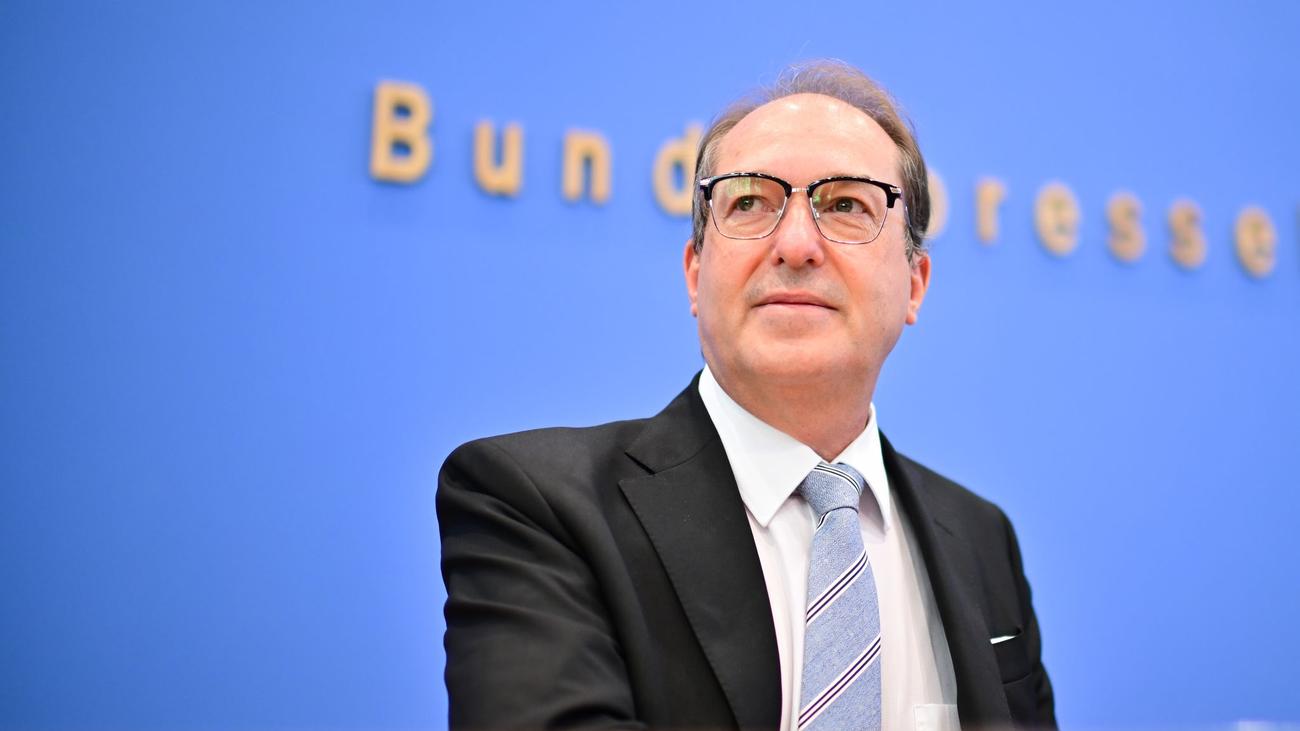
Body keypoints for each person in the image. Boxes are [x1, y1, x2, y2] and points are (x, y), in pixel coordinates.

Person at [437, 60, 1055, 731]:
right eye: (750, 203)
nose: (796, 245)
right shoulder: (536, 505)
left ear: (915, 284)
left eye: (846, 205)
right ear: (695, 273)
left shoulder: (981, 537)